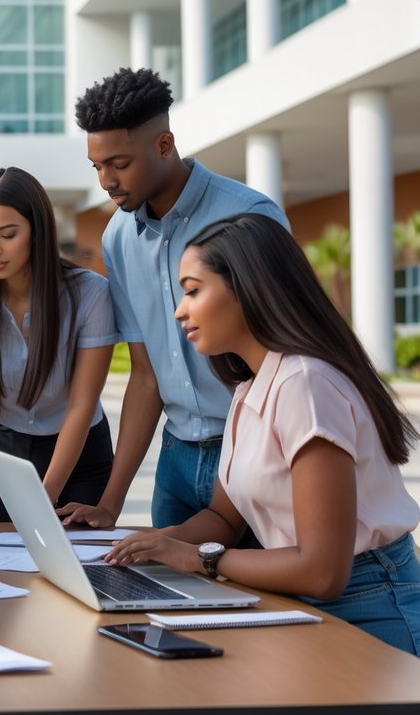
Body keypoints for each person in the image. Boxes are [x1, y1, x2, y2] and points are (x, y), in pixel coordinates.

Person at [107, 214, 420, 715]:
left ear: (247, 289)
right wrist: (150, 546)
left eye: (193, 291)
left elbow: (324, 572)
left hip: (369, 618)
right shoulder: (251, 384)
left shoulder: (305, 384)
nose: (180, 310)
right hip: (303, 609)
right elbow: (225, 519)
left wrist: (198, 559)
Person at [61, 67, 287, 531]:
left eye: (119, 164)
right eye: (97, 166)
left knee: (264, 600)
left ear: (164, 145)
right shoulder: (117, 238)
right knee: (164, 599)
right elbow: (144, 377)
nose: (106, 181)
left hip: (253, 451)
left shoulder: (249, 216)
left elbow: (283, 359)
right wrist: (110, 503)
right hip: (175, 463)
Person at [0, 167, 118, 530]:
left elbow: (82, 406)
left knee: (75, 573)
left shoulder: (90, 295)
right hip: (6, 453)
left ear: (37, 231)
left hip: (81, 455)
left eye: (8, 234)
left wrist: (45, 494)